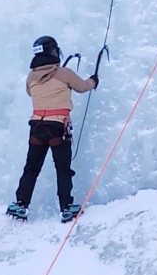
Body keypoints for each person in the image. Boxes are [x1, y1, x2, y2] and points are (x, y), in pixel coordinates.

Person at [7, 35, 99, 223]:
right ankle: (66, 207)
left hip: (37, 126)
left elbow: (30, 92)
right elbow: (82, 87)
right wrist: (93, 81)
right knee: (62, 168)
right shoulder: (64, 73)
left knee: (31, 168)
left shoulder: (31, 77)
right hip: (58, 126)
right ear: (54, 51)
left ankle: (21, 204)